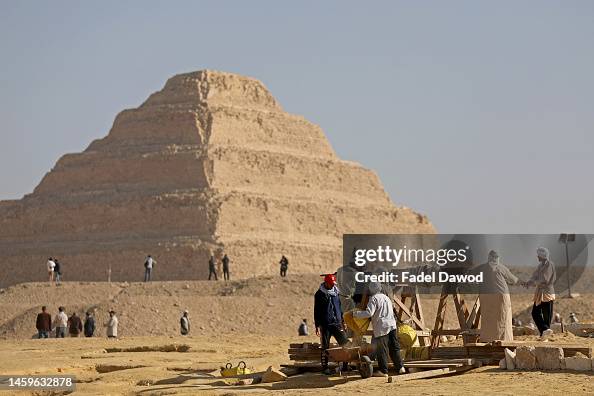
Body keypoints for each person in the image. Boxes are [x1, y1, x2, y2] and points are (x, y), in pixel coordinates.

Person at [353, 282, 405, 377]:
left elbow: (369, 313)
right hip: (392, 325)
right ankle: (400, 367)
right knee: (394, 347)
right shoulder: (386, 298)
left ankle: (384, 371)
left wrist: (356, 314)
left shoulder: (373, 299)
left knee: (382, 350)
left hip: (382, 327)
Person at [471, 250, 519, 342]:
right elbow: (513, 280)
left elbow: (469, 275)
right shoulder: (501, 268)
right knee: (502, 318)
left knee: (488, 318)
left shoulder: (482, 268)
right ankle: (503, 340)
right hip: (500, 296)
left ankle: (488, 339)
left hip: (487, 296)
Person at [314, 273, 349, 374]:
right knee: (325, 346)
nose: (333, 285)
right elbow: (316, 311)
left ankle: (345, 366)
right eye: (331, 283)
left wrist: (343, 321)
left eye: (333, 283)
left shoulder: (336, 293)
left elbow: (339, 308)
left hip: (337, 323)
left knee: (345, 343)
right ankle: (325, 368)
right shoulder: (319, 294)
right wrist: (317, 325)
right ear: (326, 283)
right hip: (325, 325)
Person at [523, 247, 556, 338]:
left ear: (542, 256)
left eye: (538, 255)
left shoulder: (549, 265)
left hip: (547, 292)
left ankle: (544, 334)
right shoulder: (540, 265)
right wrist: (529, 282)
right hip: (540, 292)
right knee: (535, 312)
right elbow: (535, 275)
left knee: (547, 315)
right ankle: (545, 331)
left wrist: (533, 283)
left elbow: (545, 279)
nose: (537, 257)